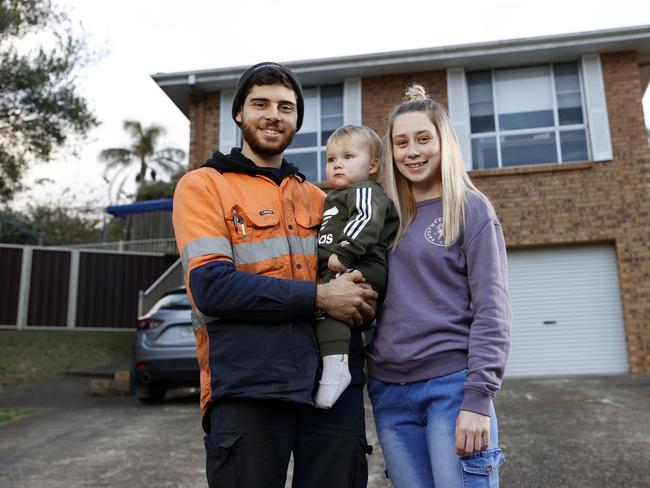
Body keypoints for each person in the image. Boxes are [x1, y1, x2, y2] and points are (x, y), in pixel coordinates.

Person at [172, 62, 376, 488]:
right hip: (248, 385)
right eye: (260, 104)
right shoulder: (203, 186)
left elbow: (359, 280)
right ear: (238, 114)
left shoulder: (319, 198)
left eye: (286, 107)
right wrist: (320, 298)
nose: (274, 115)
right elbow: (211, 287)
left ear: (297, 120)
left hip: (331, 388)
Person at [365, 84, 512, 488]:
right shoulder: (383, 216)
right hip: (389, 394)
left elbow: (492, 309)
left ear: (443, 141)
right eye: (401, 142)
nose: (412, 152)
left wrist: (479, 398)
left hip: (452, 387)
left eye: (423, 139)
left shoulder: (470, 208)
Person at [314, 125, 398, 409]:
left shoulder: (364, 190)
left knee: (329, 309)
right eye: (331, 159)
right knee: (325, 314)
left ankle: (338, 369)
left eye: (348, 156)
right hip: (341, 267)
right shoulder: (332, 198)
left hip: (362, 265)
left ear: (372, 165)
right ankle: (334, 364)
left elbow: (366, 220)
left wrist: (344, 251)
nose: (337, 163)